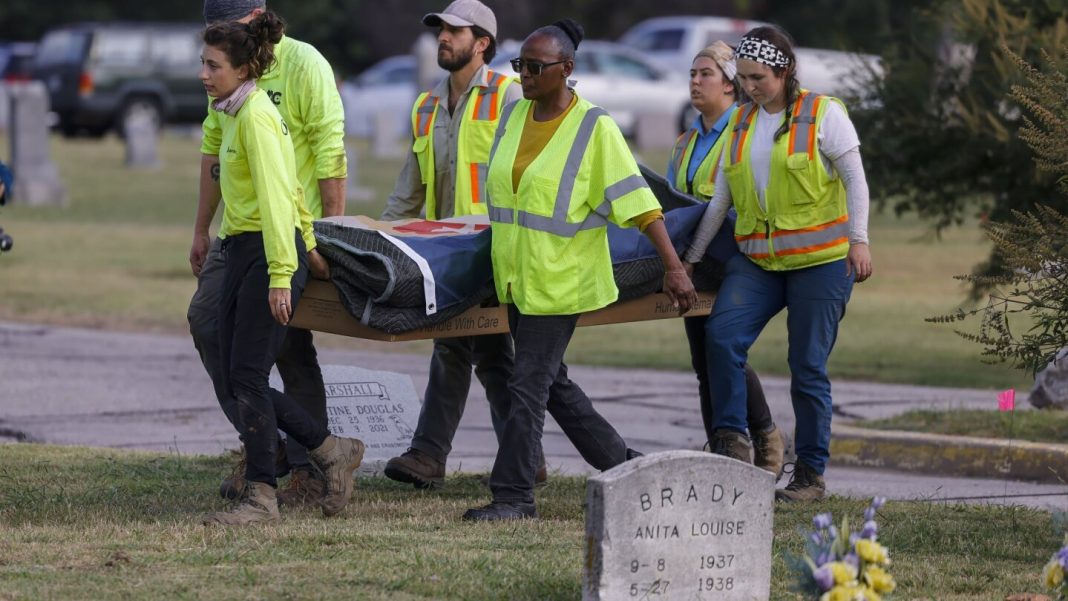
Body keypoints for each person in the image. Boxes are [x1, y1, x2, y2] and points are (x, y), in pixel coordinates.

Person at [462, 19, 698, 522]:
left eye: (534, 67)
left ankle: (514, 497)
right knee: (553, 385)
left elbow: (639, 203)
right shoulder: (512, 117)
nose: (523, 75)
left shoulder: (595, 128)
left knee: (528, 386)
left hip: (562, 282)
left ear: (567, 70)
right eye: (519, 65)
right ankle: (622, 466)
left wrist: (674, 268)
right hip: (517, 277)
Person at [682, 26, 873, 502]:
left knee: (806, 367)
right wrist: (690, 259)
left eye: (758, 77)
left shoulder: (823, 114)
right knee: (720, 336)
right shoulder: (742, 124)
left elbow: (856, 180)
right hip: (759, 262)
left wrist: (860, 241)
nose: (749, 87)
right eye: (743, 78)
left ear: (784, 71)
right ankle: (732, 445)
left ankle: (809, 476)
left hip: (821, 263)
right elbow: (721, 200)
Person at [196, 13, 364, 525]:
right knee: (238, 373)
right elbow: (290, 189)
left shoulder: (256, 119)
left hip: (268, 254)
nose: (203, 74)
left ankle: (262, 496)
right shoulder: (231, 111)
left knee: (247, 375)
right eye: (202, 63)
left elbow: (277, 202)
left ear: (245, 68)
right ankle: (331, 450)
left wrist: (281, 273)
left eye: (212, 65)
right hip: (244, 247)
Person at [381, 0, 549, 489]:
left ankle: (431, 455)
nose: (443, 38)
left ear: (482, 44)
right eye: (440, 30)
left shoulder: (511, 96)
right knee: (489, 354)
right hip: (448, 252)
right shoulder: (426, 105)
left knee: (457, 346)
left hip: (495, 247)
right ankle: (524, 457)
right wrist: (381, 234)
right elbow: (410, 187)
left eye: (454, 31)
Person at [666, 41, 784, 479]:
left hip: (736, 255)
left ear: (731, 86)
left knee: (722, 348)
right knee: (704, 358)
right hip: (694, 261)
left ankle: (762, 437)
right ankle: (722, 445)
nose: (695, 82)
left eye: (706, 74)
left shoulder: (749, 131)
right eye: (692, 74)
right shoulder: (684, 141)